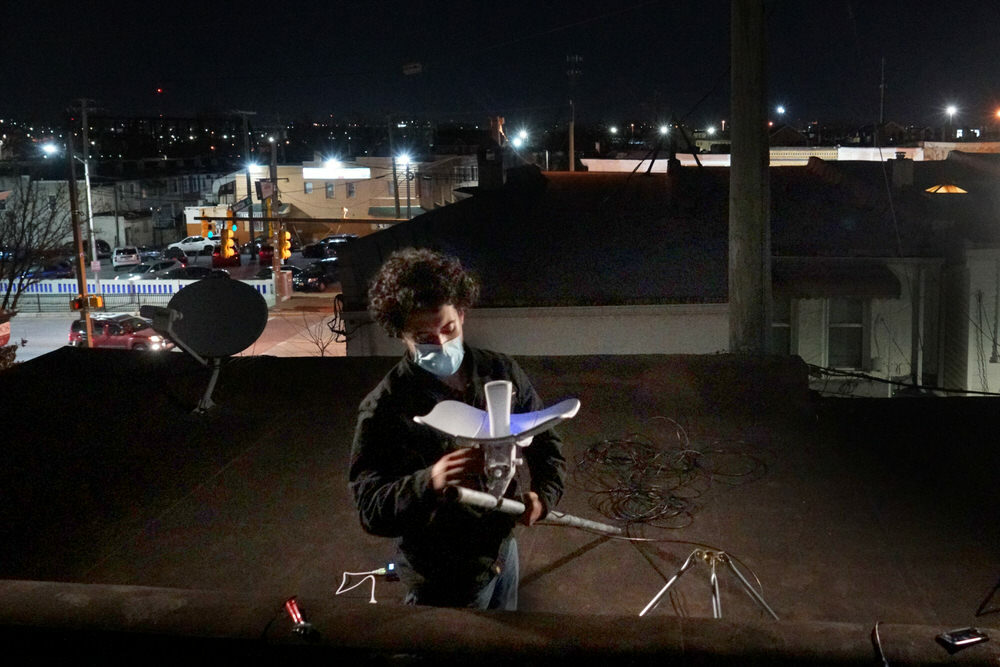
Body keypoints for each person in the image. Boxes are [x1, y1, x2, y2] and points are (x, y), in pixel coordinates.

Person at [349, 248, 566, 610]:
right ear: (401, 334)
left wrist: (544, 495)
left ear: (462, 314)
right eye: (423, 336)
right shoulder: (386, 407)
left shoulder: (501, 372)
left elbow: (546, 440)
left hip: (501, 551)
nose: (441, 343)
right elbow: (370, 507)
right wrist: (429, 481)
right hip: (441, 580)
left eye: (448, 328)